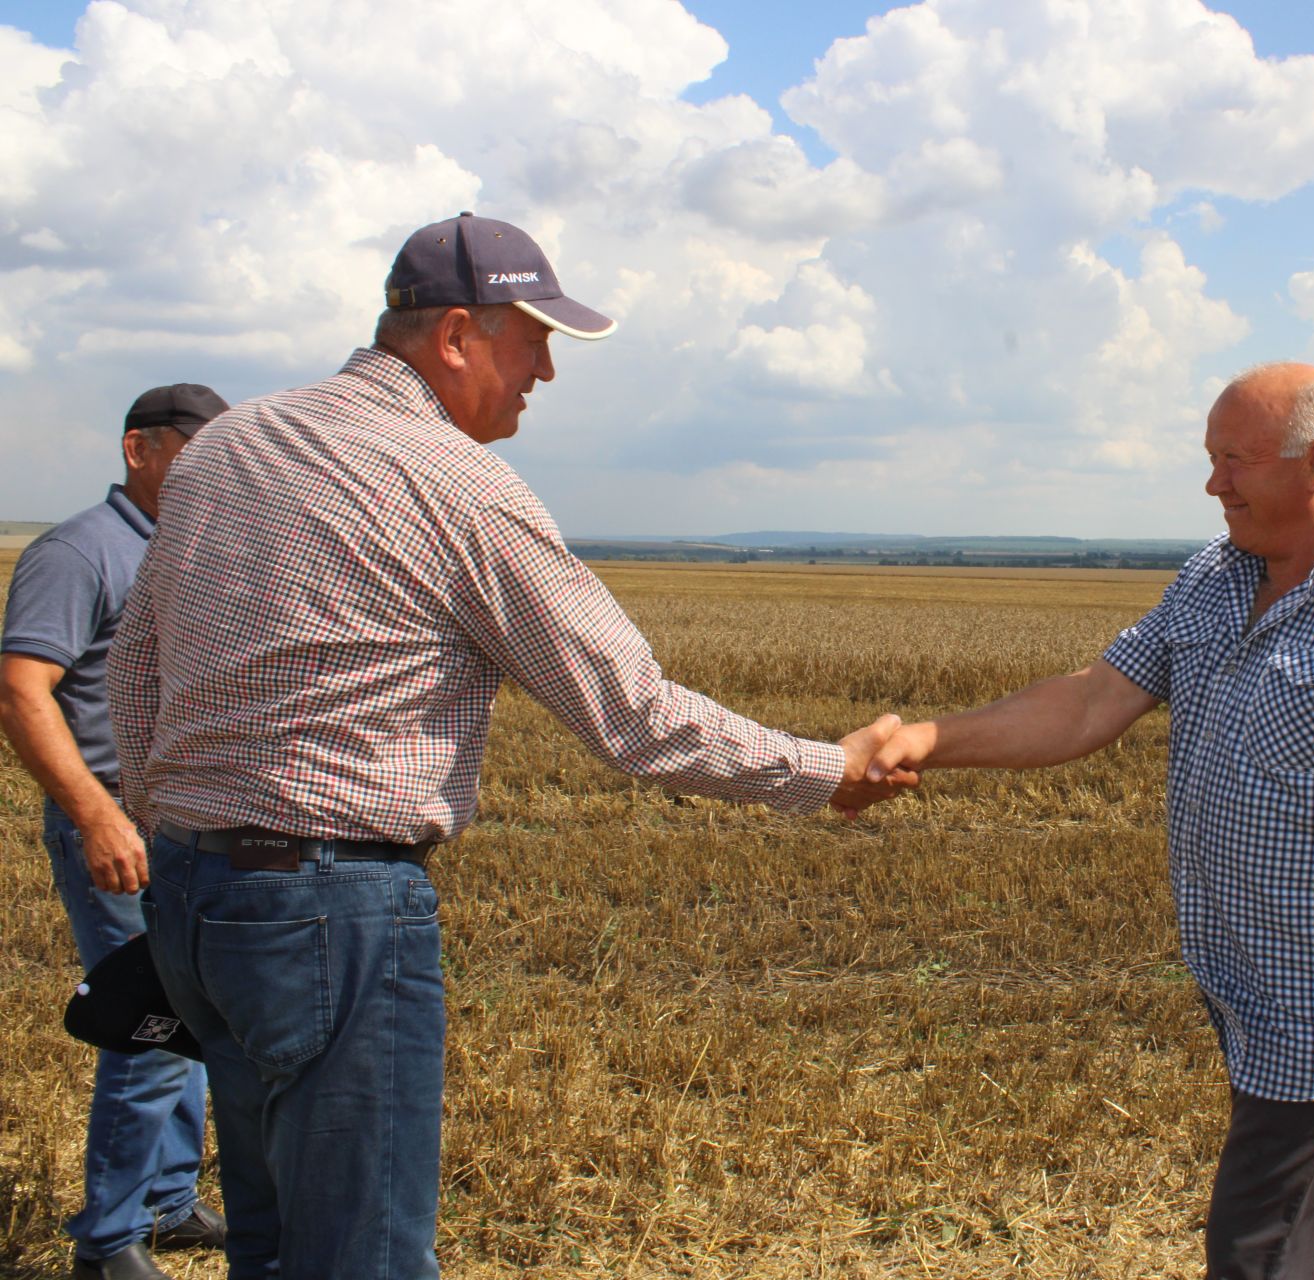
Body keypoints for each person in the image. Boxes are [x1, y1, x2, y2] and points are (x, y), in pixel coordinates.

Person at [104, 213, 914, 1280]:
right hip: (332, 908)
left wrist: (180, 839)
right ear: (455, 335)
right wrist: (828, 768)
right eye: (533, 337)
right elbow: (633, 713)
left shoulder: (230, 446)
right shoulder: (462, 486)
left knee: (268, 1235)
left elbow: (136, 672)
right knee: (363, 1254)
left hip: (195, 905)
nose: (544, 371)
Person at [865, 363, 1314, 1278]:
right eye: (1210, 458)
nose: (1213, 484)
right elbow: (1090, 702)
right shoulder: (1218, 574)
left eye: (1233, 460)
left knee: (1255, 1251)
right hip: (1245, 993)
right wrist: (926, 738)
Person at [0, 384, 232, 1280]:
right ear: (141, 450)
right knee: (146, 1023)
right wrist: (95, 814)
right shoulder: (79, 552)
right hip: (114, 825)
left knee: (192, 1021)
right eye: (197, 449)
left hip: (186, 827)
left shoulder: (192, 554)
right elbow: (22, 691)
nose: (217, 467)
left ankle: (167, 1202)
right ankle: (107, 1241)